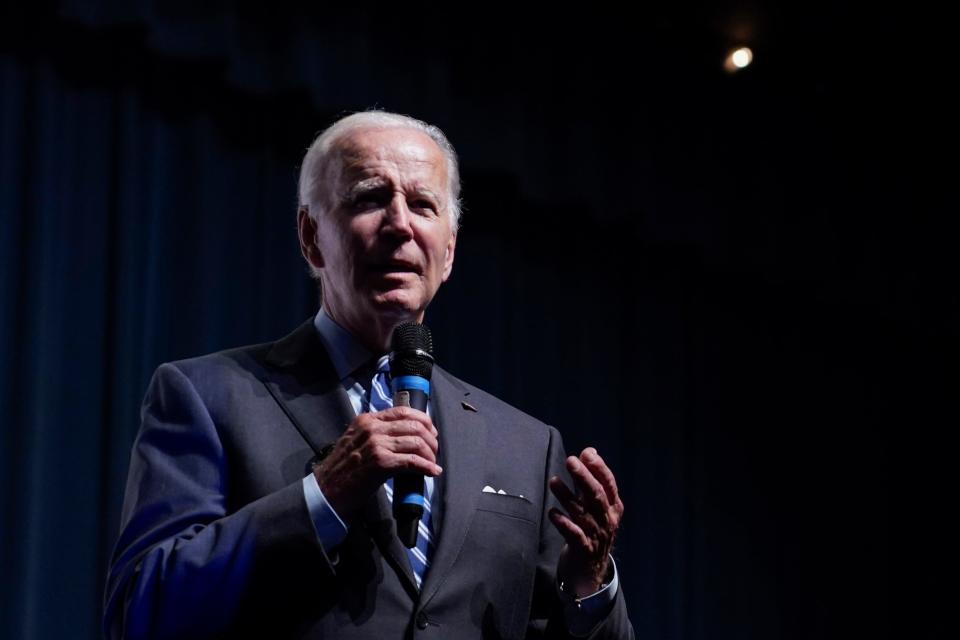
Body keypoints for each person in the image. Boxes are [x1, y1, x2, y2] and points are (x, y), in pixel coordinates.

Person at [104, 111, 634, 639]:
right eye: (369, 198)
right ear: (311, 237)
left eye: (423, 205)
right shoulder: (207, 396)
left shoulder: (526, 445)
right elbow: (141, 610)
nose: (400, 224)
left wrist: (588, 586)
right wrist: (322, 496)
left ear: (447, 251)